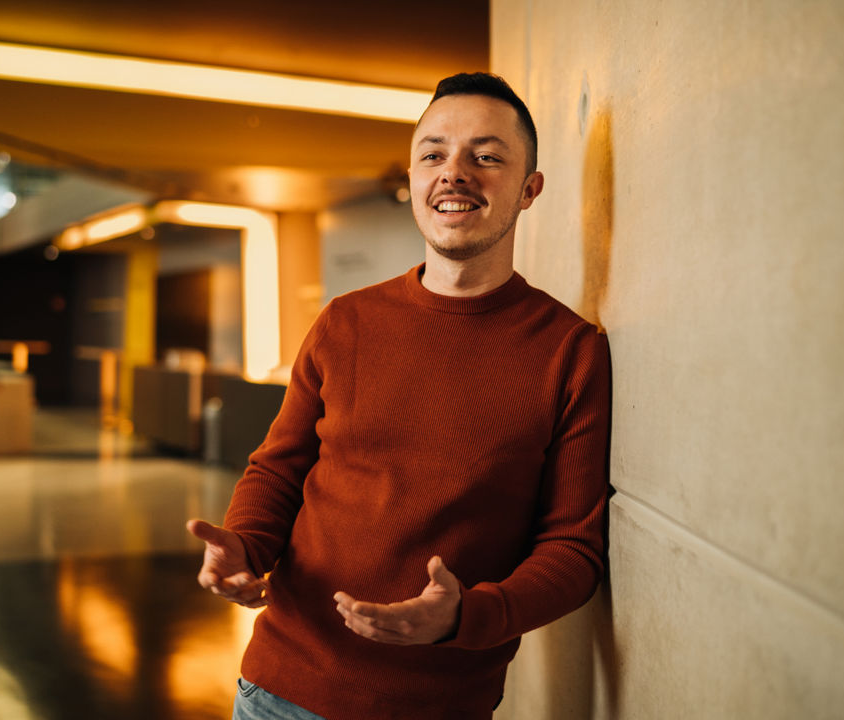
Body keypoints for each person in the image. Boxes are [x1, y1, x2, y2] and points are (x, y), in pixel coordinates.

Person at [187, 72, 612, 720]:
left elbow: (573, 550)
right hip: (279, 693)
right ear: (412, 179)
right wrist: (244, 546)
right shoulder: (345, 321)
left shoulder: (570, 350)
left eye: (487, 156)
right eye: (433, 154)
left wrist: (467, 616)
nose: (455, 173)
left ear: (530, 190)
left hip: (441, 706)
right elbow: (279, 469)